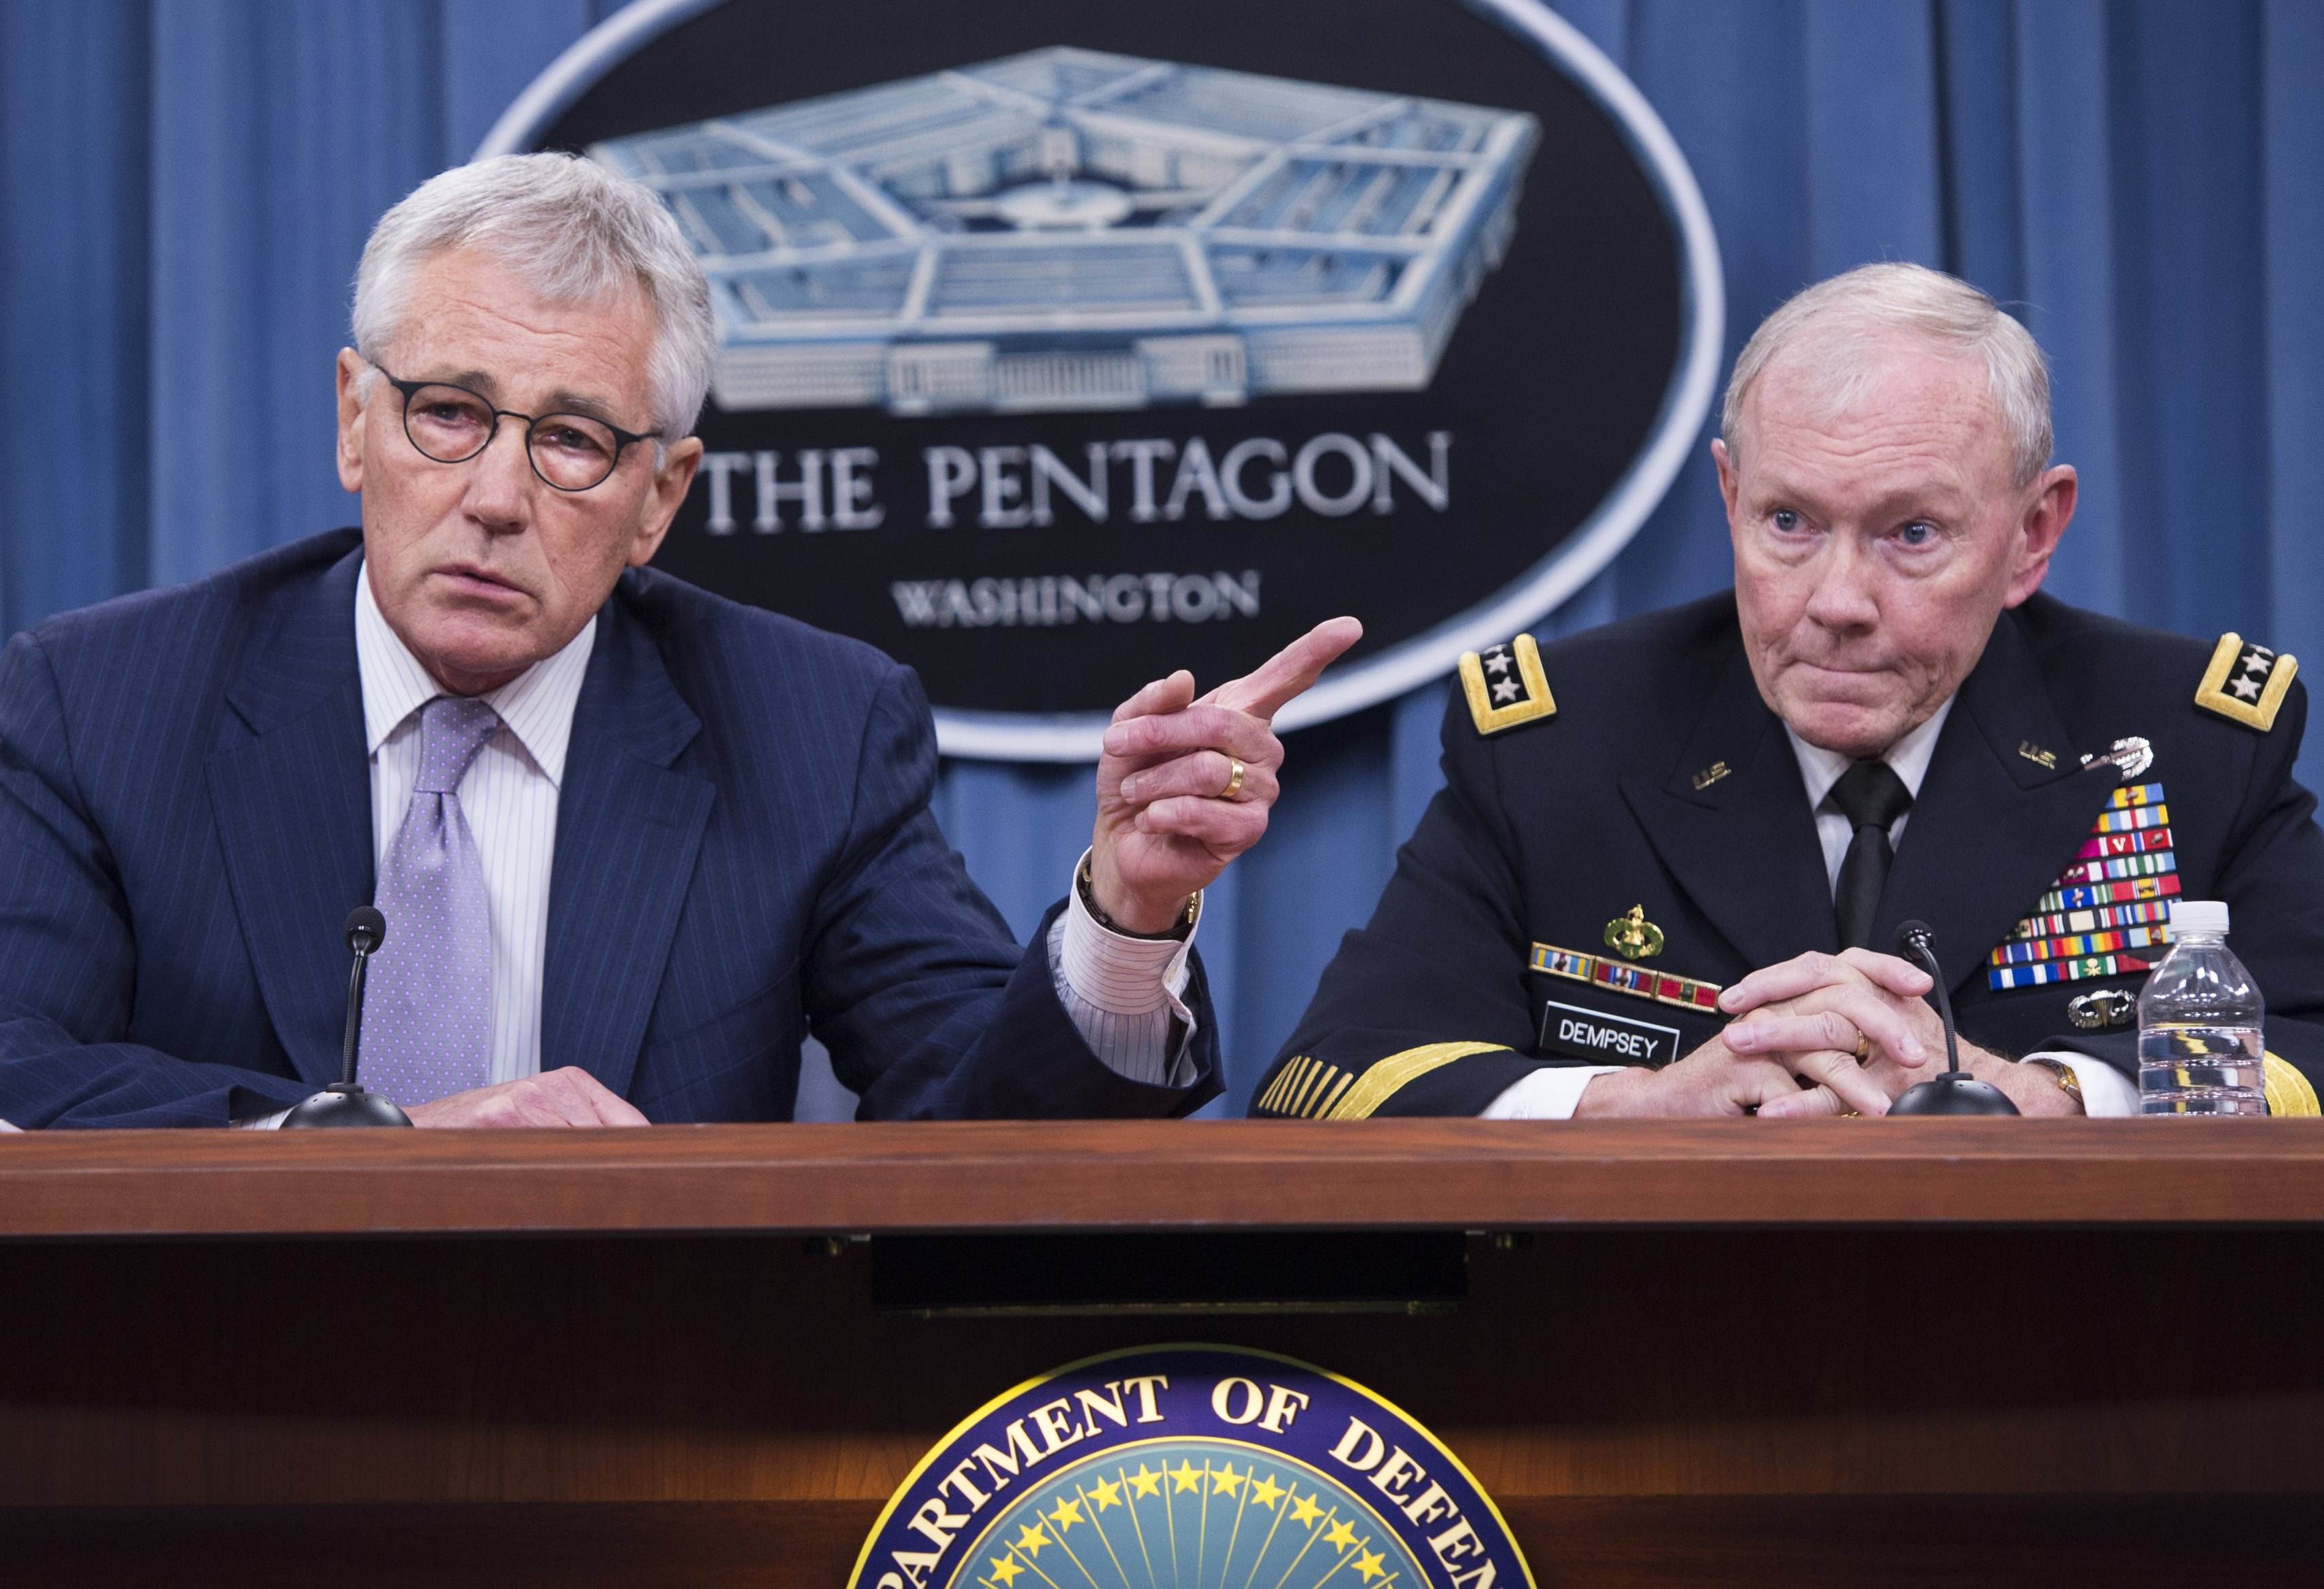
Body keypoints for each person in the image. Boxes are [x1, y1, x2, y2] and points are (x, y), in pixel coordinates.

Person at [0, 153, 1358, 1130]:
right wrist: (364, 1142)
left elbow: (983, 1121)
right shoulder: (102, 703)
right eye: (448, 414)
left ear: (660, 497)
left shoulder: (807, 728)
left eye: (572, 440)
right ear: (356, 420)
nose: (495, 496)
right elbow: (14, 1064)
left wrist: (1125, 913)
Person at [1255, 262, 2324, 1121]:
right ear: (1730, 496)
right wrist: (1633, 1105)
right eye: (1789, 522)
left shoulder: (2187, 743)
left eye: (1913, 532)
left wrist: (2059, 1097)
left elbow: (2310, 1042)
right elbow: (1334, 1076)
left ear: (2032, 535)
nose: (1837, 601)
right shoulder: (1562, 747)